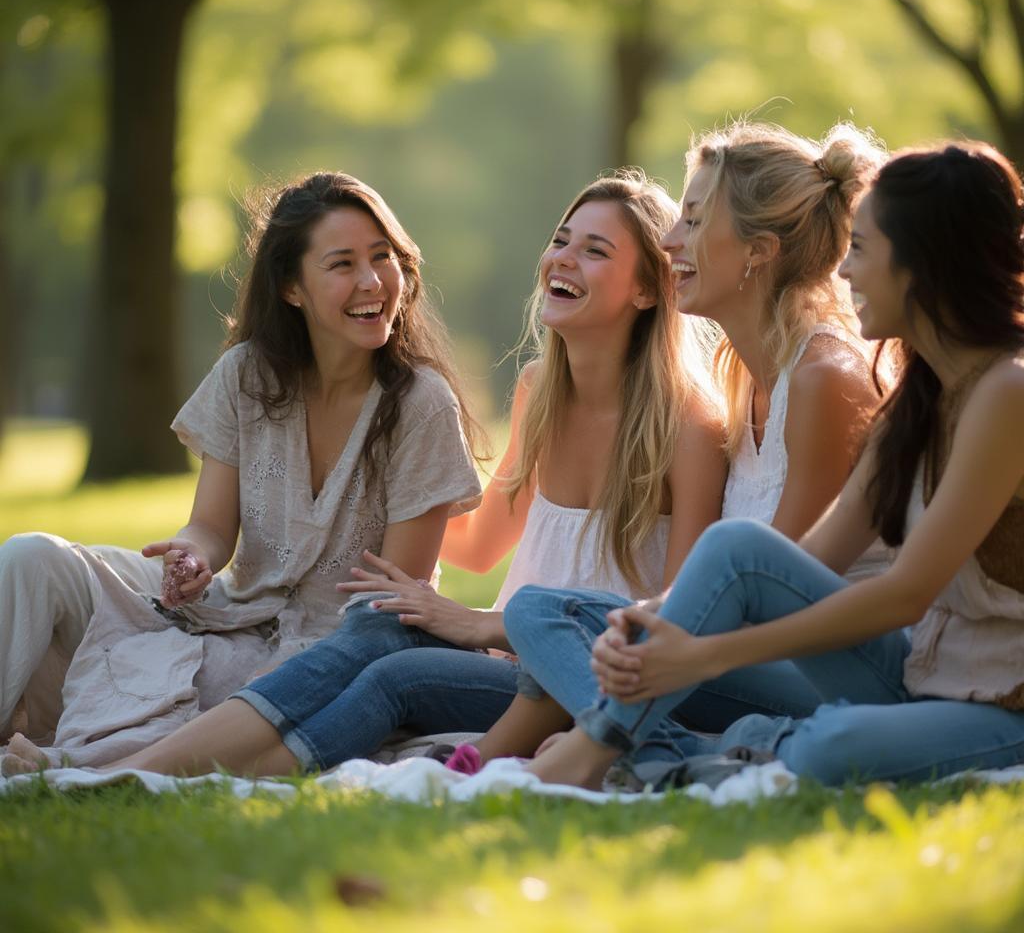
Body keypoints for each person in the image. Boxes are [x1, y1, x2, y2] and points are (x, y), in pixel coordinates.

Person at [58, 170, 728, 778]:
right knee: (386, 637)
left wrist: (481, 623)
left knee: (390, 658)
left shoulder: (689, 427)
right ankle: (160, 771)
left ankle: (142, 773)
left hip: (582, 673)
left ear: (649, 287)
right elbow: (477, 542)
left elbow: (682, 612)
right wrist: (376, 483)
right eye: (562, 239)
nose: (563, 257)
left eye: (595, 250)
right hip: (511, 664)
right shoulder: (540, 392)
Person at [516, 140, 1024, 789]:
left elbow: (905, 595)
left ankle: (634, 740)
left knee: (829, 747)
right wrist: (659, 625)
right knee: (725, 550)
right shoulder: (919, 393)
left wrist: (701, 656)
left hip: (1007, 698)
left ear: (924, 260)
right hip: (923, 673)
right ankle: (617, 738)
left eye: (862, 250)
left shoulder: (1005, 391)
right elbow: (801, 562)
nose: (843, 274)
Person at [1, 172, 482, 773]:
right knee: (30, 558)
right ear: (291, 288)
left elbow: (395, 594)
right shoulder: (245, 375)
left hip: (336, 648)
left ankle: (83, 762)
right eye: (342, 264)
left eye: (383, 257)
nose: (372, 281)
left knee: (198, 683)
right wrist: (192, 557)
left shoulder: (420, 402)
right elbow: (210, 528)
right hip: (226, 609)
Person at [502, 121, 889, 752]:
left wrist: (662, 642)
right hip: (740, 657)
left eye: (692, 220)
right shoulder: (740, 374)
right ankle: (633, 744)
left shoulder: (824, 378)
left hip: (829, 671)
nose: (669, 239)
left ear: (758, 250)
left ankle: (627, 752)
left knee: (562, 621)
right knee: (541, 613)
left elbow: (773, 588)